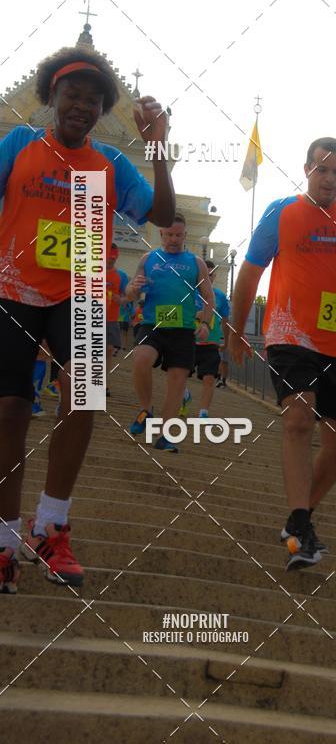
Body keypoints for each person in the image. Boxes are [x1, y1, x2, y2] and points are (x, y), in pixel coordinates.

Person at [0, 47, 175, 594]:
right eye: (71, 94)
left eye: (93, 100)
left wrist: (159, 150)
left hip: (84, 293)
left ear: (103, 111)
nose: (81, 106)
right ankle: (4, 540)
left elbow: (165, 215)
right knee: (8, 409)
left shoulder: (111, 165)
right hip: (14, 289)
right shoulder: (19, 145)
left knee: (84, 399)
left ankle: (51, 525)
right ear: (50, 96)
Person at [230, 138, 336, 570]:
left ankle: (298, 519)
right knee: (299, 416)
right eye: (322, 170)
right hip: (290, 334)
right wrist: (234, 332)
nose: (329, 179)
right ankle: (303, 520)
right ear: (306, 169)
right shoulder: (281, 213)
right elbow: (250, 274)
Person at [127, 214, 214, 453]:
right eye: (169, 235)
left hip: (183, 330)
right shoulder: (148, 258)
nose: (173, 239)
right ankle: (146, 409)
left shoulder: (195, 262)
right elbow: (130, 292)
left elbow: (209, 296)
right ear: (161, 234)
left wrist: (205, 323)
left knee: (177, 382)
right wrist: (133, 288)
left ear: (185, 235)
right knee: (141, 359)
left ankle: (166, 435)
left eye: (178, 235)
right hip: (153, 325)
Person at [188, 259, 230, 419]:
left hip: (211, 342)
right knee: (181, 374)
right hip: (189, 340)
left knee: (209, 377)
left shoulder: (219, 296)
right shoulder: (190, 292)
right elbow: (177, 312)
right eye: (206, 274)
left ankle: (203, 412)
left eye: (211, 274)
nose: (208, 277)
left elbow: (226, 321)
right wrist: (195, 315)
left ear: (214, 276)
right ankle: (184, 396)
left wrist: (226, 341)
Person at [106, 243, 128, 393]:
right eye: (108, 258)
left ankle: (103, 383)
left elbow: (128, 295)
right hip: (89, 316)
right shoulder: (90, 272)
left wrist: (122, 300)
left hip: (111, 319)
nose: (110, 261)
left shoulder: (121, 275)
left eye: (113, 259)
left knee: (107, 350)